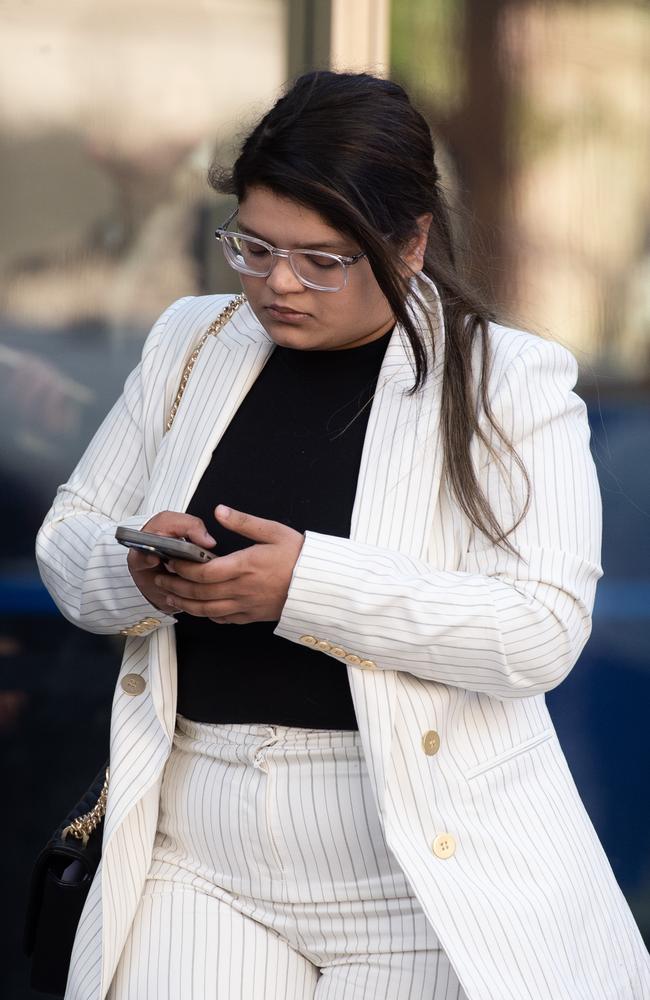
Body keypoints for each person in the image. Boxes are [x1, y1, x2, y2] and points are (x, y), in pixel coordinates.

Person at [36, 70, 650, 1000]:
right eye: (253, 247)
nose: (277, 284)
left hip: (415, 867)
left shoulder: (505, 380)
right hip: (197, 844)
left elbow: (541, 631)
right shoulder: (192, 341)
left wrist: (303, 587)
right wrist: (137, 572)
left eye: (323, 259)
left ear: (409, 243)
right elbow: (69, 539)